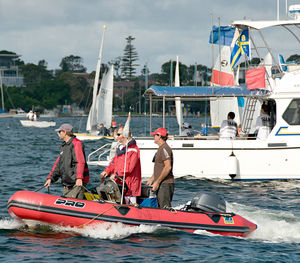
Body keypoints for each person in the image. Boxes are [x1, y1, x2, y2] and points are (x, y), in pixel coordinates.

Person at [44, 123, 89, 199]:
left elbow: (80, 162)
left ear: (64, 132)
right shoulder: (64, 146)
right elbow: (58, 164)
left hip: (76, 183)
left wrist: (79, 178)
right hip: (67, 183)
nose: (58, 134)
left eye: (59, 132)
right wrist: (50, 179)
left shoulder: (76, 143)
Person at [100, 126, 141, 204]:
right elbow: (114, 163)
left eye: (119, 134)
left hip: (130, 183)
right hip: (120, 182)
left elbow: (129, 168)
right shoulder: (120, 149)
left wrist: (116, 174)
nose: (117, 136)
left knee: (131, 204)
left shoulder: (133, 150)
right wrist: (107, 171)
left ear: (124, 135)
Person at [146, 127, 174, 208]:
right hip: (161, 183)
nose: (154, 137)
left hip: (165, 184)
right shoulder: (161, 148)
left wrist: (157, 182)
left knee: (164, 208)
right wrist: (152, 179)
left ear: (159, 136)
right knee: (159, 207)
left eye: (155, 135)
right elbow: (159, 167)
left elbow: (168, 167)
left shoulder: (165, 148)